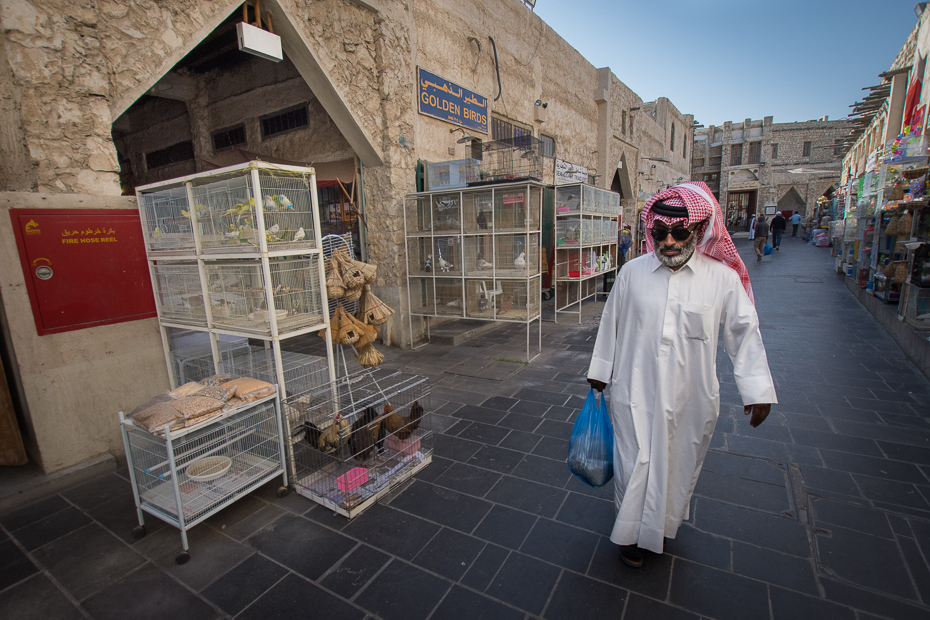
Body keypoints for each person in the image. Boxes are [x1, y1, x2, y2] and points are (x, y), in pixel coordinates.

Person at [586, 182, 776, 569]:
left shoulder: (721, 279)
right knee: (633, 462)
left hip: (691, 396)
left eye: (678, 233)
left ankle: (660, 527)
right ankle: (630, 536)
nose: (668, 241)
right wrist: (600, 373)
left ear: (699, 230)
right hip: (634, 390)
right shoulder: (632, 273)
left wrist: (757, 390)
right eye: (660, 233)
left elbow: (743, 331)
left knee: (676, 464)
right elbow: (611, 325)